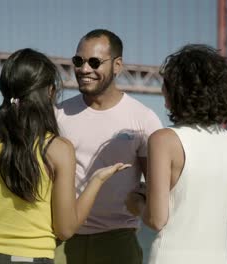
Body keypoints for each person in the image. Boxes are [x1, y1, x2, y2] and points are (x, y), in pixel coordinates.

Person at [0, 48, 130, 264]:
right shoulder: (57, 149)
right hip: (27, 257)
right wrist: (97, 180)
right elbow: (65, 229)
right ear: (49, 92)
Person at [126, 44, 227, 264]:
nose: (162, 90)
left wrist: (136, 202)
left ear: (181, 90)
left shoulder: (164, 139)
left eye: (167, 84)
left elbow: (156, 219)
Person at [55, 29, 162, 264]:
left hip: (118, 241)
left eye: (94, 62)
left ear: (117, 65)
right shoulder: (57, 114)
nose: (84, 69)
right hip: (61, 239)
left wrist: (140, 196)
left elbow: (157, 184)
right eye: (78, 61)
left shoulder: (143, 119)